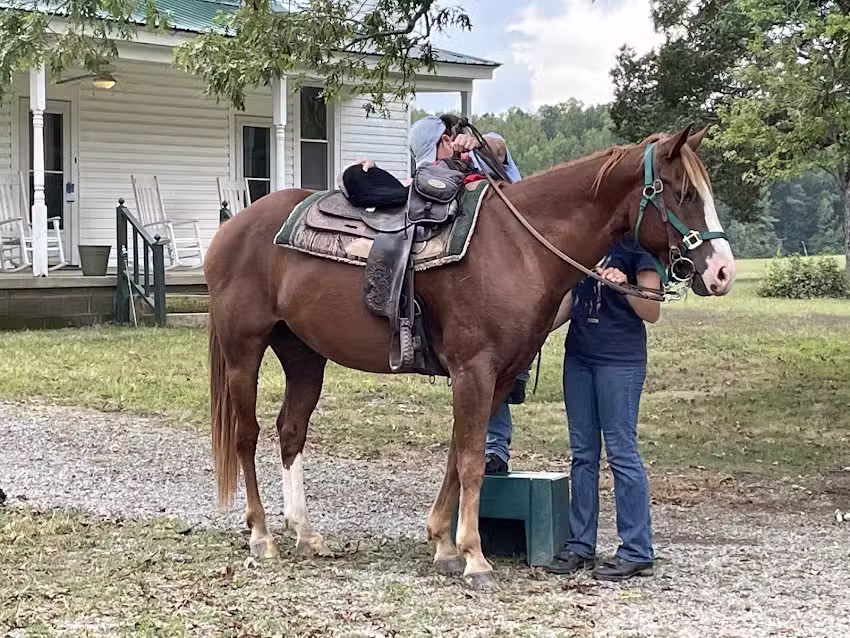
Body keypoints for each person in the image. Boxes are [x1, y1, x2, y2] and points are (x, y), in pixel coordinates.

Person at [407, 114, 529, 476]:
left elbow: (499, 149)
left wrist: (482, 143)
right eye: (448, 137)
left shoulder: (479, 160)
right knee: (484, 365)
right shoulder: (430, 180)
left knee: (494, 362)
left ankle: (493, 448)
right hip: (466, 292)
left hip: (499, 282)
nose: (454, 141)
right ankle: (486, 448)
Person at [544, 236, 661, 582]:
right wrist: (531, 330)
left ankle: (637, 550)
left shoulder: (639, 251)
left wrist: (624, 286)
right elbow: (570, 301)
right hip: (579, 358)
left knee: (622, 453)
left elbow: (651, 311)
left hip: (620, 361)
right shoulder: (586, 242)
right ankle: (580, 545)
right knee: (582, 454)